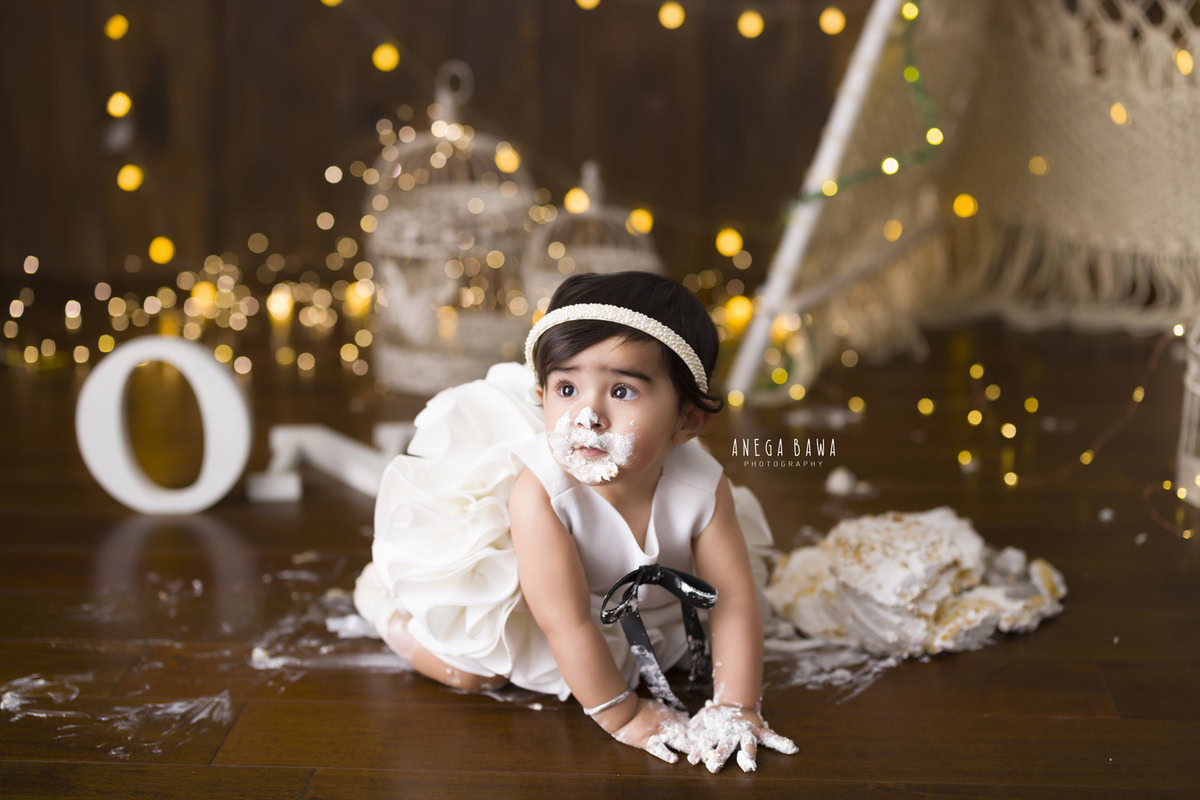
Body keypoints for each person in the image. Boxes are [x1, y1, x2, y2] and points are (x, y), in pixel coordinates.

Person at [353, 270, 798, 772]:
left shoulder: (702, 486)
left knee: (669, 661)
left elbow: (732, 599)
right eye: (567, 387)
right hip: (548, 610)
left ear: (687, 420)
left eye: (623, 392)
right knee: (476, 673)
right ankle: (387, 610)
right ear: (541, 394)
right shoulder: (542, 494)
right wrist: (622, 714)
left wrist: (736, 704)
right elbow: (565, 623)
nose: (587, 415)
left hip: (638, 612)